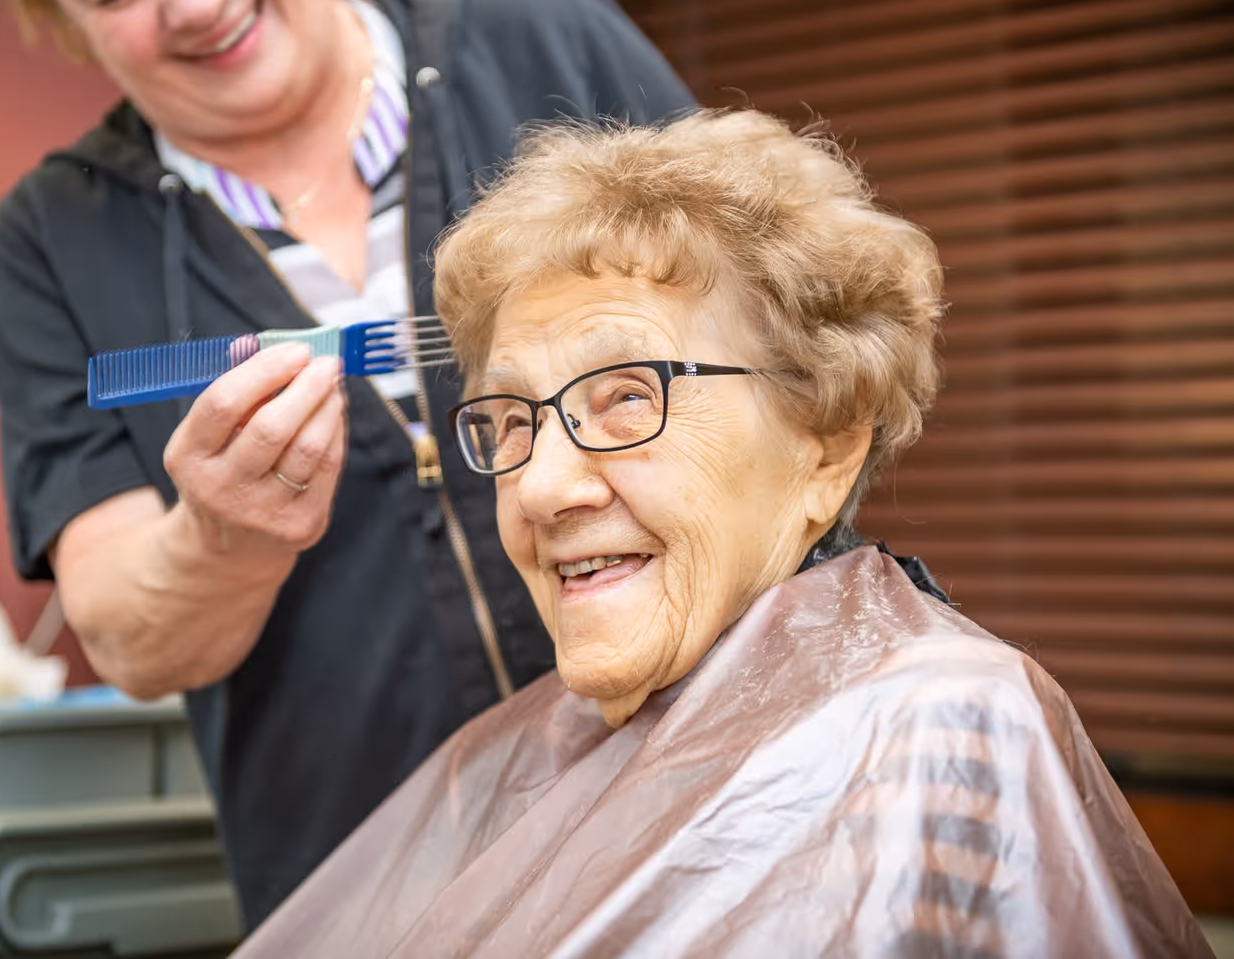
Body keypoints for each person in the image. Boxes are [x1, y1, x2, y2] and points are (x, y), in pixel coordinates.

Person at [231, 109, 1213, 959]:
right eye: (514, 420)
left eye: (626, 397)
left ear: (825, 441)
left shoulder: (933, 729)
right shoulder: (486, 774)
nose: (538, 483)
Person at [0, 0, 693, 928]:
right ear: (59, 13)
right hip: (369, 895)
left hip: (707, 820)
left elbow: (787, 355)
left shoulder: (550, 45)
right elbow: (125, 632)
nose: (194, 2)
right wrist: (222, 537)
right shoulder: (53, 240)